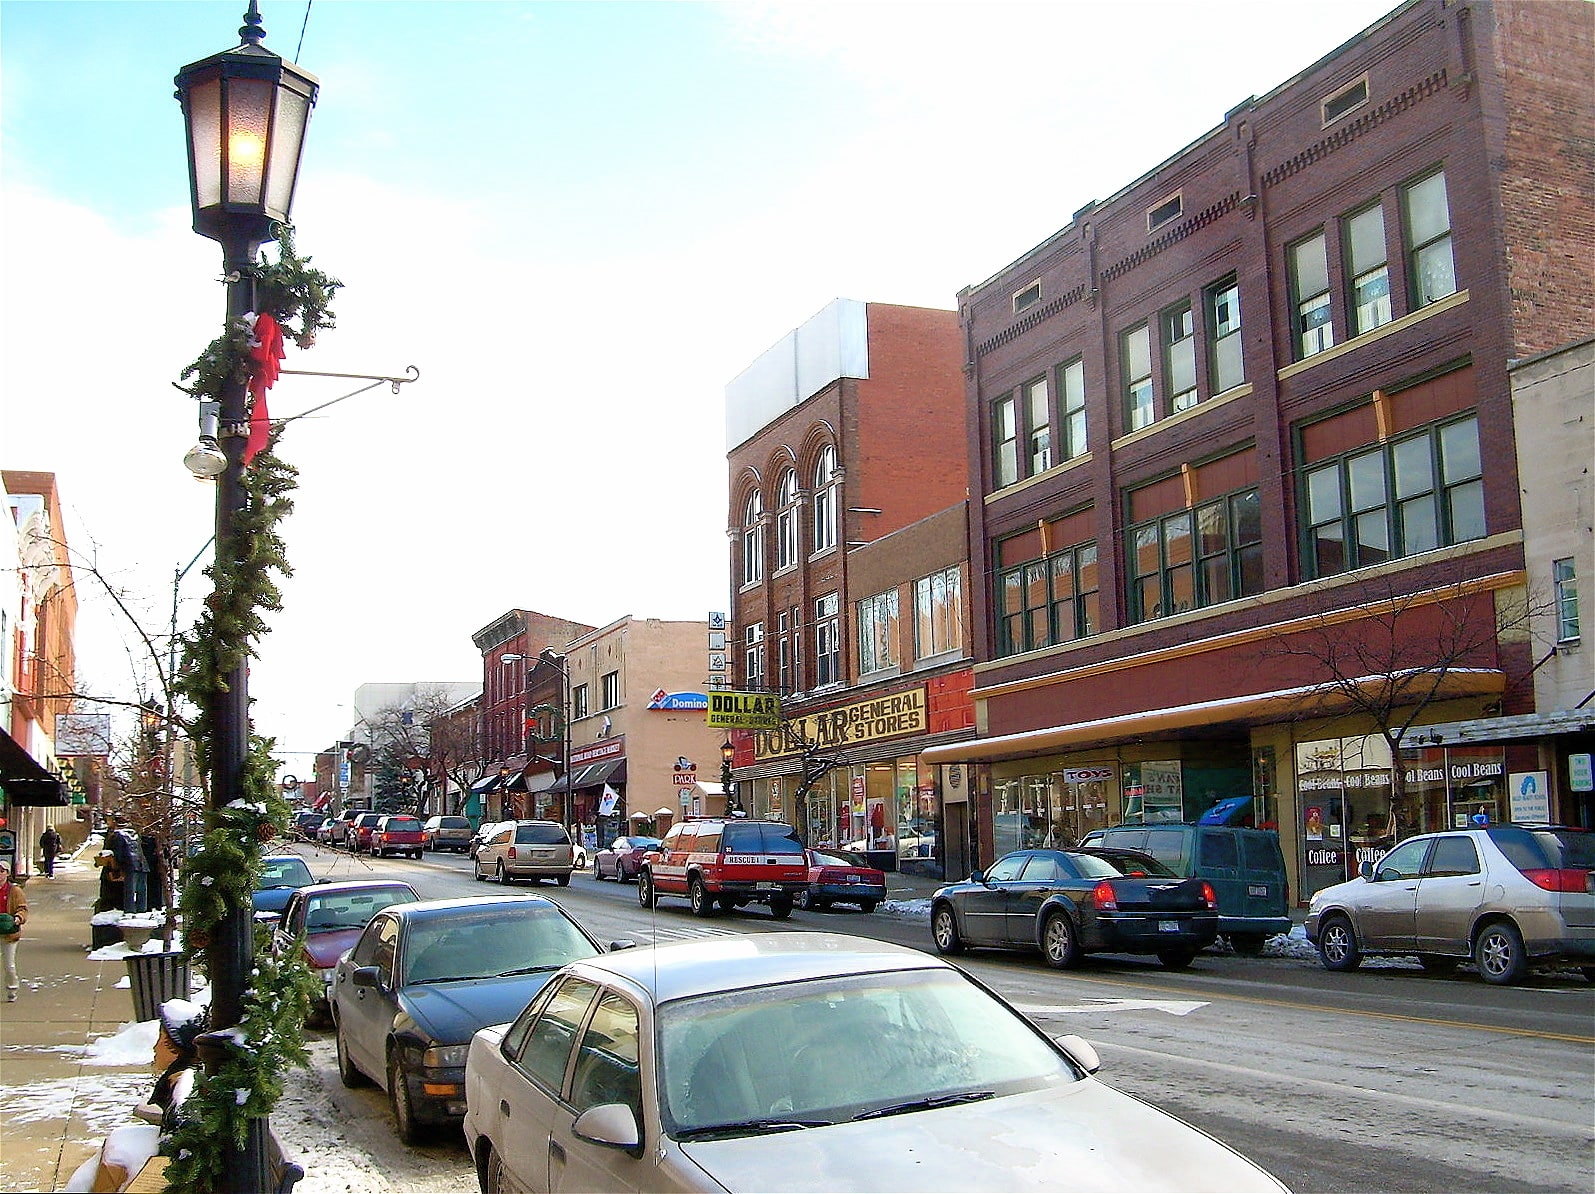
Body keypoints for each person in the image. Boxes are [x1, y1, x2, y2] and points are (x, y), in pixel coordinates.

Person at [0, 859, 30, 1001]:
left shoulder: (14, 890)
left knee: (9, 965)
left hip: (9, 932)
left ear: (7, 873)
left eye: (2, 871)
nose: (0, 874)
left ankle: (12, 989)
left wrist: (18, 918)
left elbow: (23, 908)